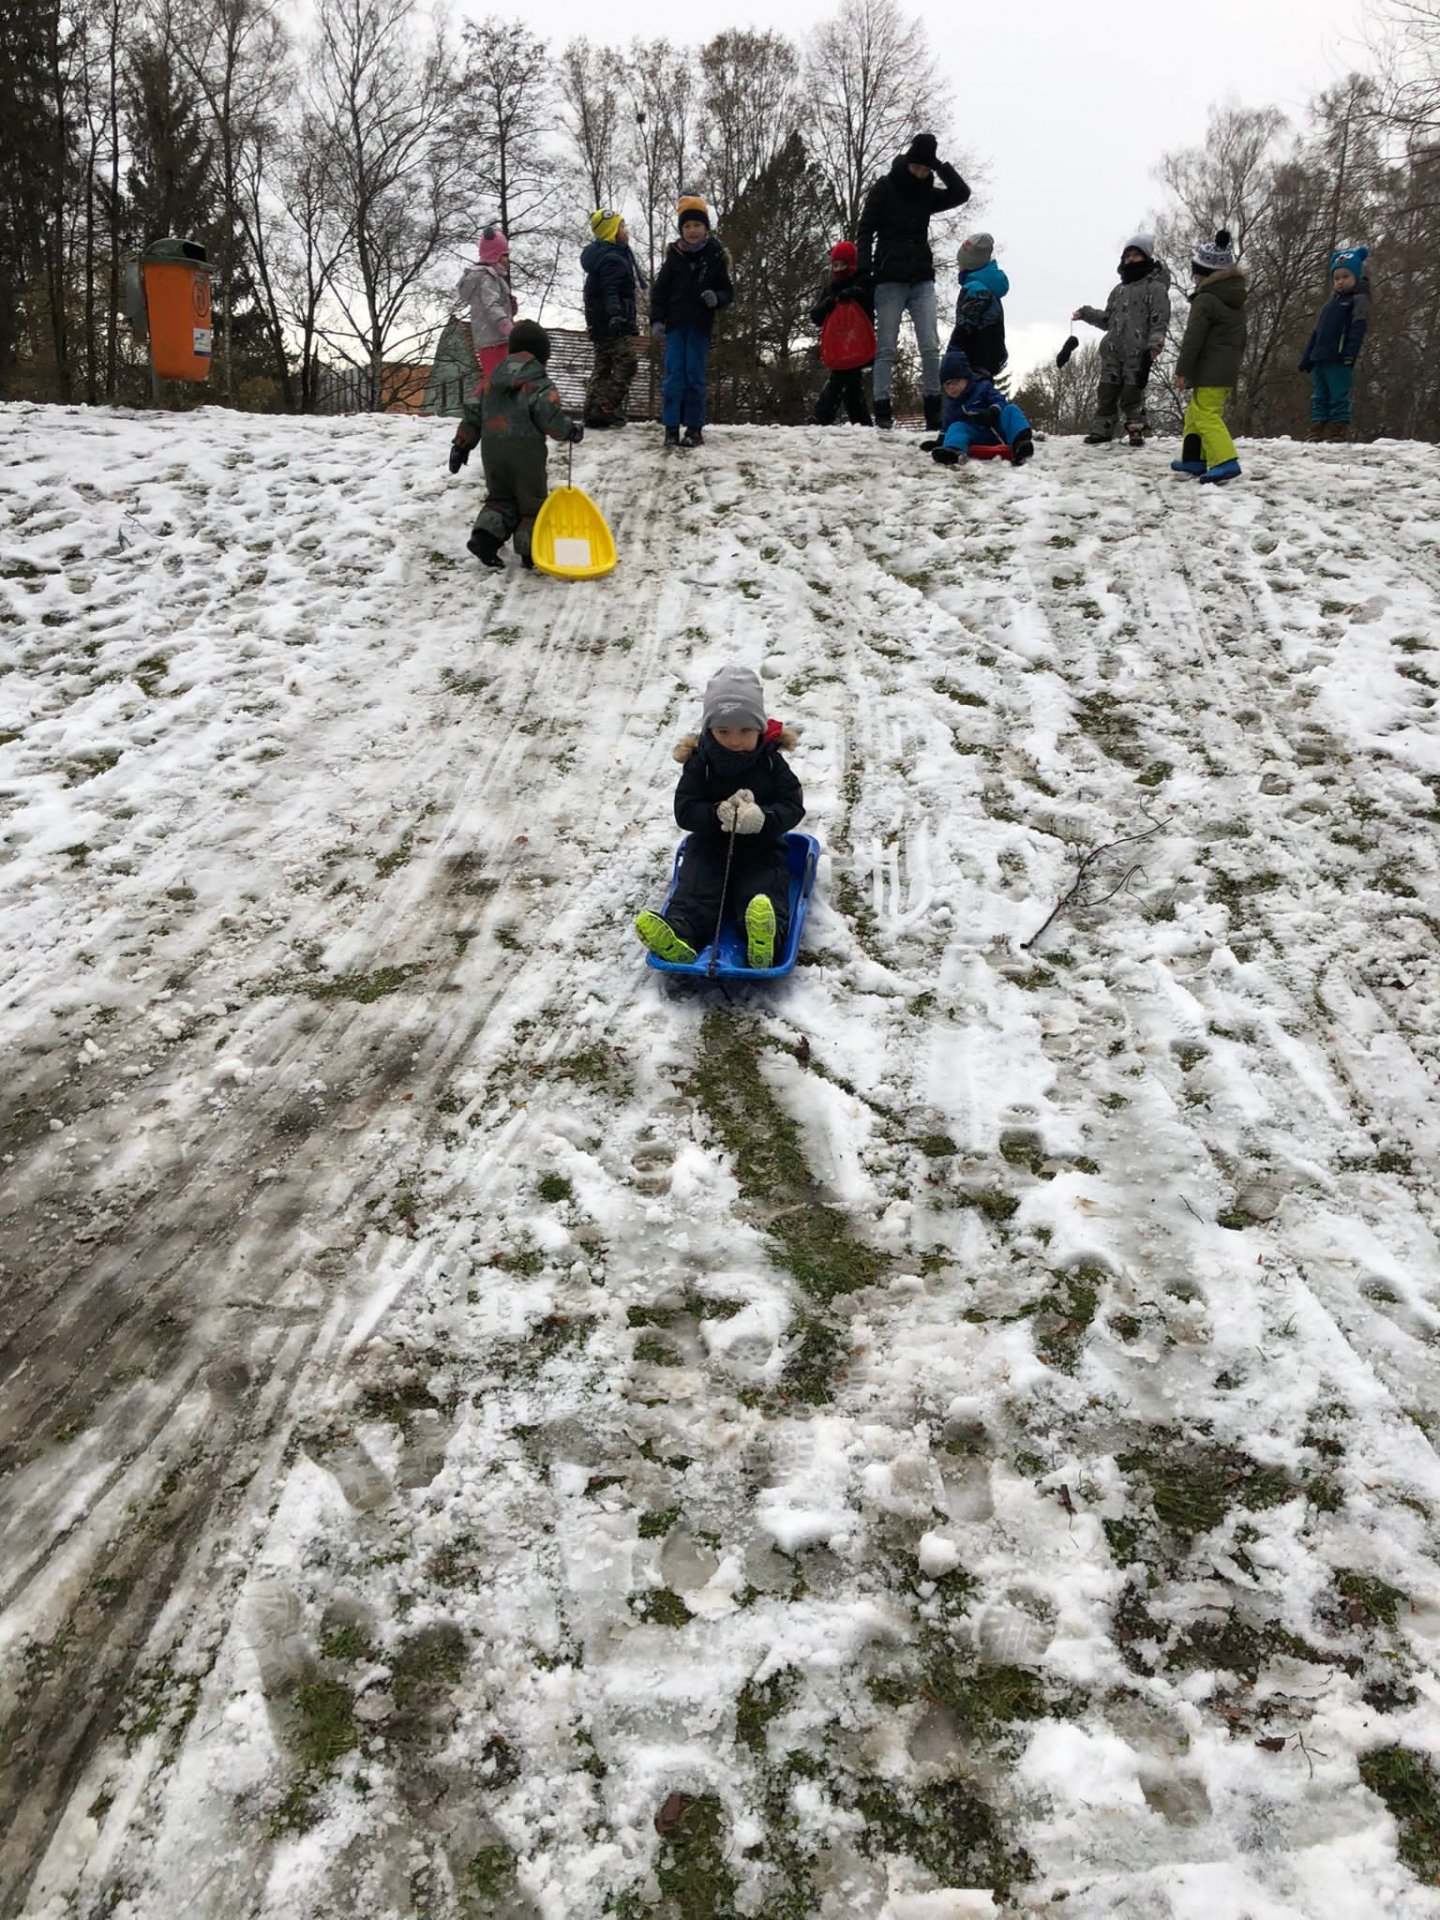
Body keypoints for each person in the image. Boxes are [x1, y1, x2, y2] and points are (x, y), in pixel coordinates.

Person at [634, 665, 805, 971]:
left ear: (760, 728)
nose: (735, 740)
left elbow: (792, 805)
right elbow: (685, 808)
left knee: (763, 890)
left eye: (745, 731)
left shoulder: (771, 762)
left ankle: (764, 940)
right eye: (724, 732)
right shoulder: (701, 763)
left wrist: (763, 819)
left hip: (761, 847)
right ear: (709, 729)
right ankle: (679, 936)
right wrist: (715, 815)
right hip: (710, 845)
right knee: (696, 889)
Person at [856, 133, 971, 431]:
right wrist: (864, 270)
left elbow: (961, 193)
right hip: (889, 278)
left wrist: (940, 166)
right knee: (886, 347)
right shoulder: (885, 187)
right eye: (917, 167)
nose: (920, 173)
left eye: (925, 169)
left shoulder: (927, 193)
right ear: (908, 162)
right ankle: (882, 408)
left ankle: (933, 408)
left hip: (921, 278)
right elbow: (865, 229)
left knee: (930, 346)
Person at [448, 319, 582, 569]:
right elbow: (550, 418)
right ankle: (531, 552)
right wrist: (570, 431)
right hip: (526, 455)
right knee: (531, 503)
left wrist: (461, 445)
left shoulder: (490, 382)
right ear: (542, 354)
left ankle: (484, 539)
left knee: (500, 499)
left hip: (493, 452)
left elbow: (473, 414)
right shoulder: (539, 383)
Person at [1071, 233, 1172, 446]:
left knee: (1131, 393)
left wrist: (1155, 344)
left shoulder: (1155, 288)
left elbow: (1159, 320)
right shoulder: (1118, 290)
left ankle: (1136, 429)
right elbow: (1108, 320)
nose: (1131, 259)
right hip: (1112, 351)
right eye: (1127, 256)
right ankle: (1102, 430)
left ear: (1146, 257)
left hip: (1138, 351)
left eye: (1136, 255)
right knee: (1106, 392)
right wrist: (1087, 313)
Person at [650, 195, 734, 450]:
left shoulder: (715, 256)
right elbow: (659, 292)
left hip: (699, 327)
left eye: (697, 225)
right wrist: (657, 320)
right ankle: (671, 426)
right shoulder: (674, 257)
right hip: (675, 327)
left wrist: (716, 298)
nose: (692, 230)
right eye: (687, 226)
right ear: (681, 230)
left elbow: (727, 292)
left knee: (694, 375)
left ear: (705, 227)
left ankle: (694, 428)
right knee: (673, 375)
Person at [1171, 229, 1248, 485]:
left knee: (1206, 414)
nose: (1194, 279)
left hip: (1210, 371)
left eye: (1196, 275)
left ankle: (1226, 461)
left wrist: (1182, 370)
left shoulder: (1205, 300)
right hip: (1224, 370)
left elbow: (1193, 338)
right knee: (1195, 414)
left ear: (1204, 275)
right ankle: (1194, 458)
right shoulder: (1235, 303)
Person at [1299, 245, 1372, 443]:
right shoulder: (1329, 305)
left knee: (1339, 394)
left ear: (1356, 277)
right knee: (1319, 395)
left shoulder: (1358, 300)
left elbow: (1358, 329)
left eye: (1345, 277)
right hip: (1320, 357)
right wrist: (1307, 357)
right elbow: (1317, 333)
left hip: (1340, 357)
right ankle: (1317, 427)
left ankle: (1339, 429)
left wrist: (1350, 353)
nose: (1340, 281)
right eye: (1337, 278)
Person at [581, 209, 645, 429]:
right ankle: (604, 407)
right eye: (622, 227)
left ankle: (591, 411)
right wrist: (616, 315)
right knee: (627, 362)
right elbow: (611, 290)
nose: (626, 231)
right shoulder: (613, 259)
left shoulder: (607, 256)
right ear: (611, 232)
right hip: (611, 322)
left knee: (603, 365)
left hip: (599, 321)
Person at [922, 349, 1034, 466]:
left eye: (955, 381)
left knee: (1011, 409)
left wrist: (992, 412)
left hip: (1000, 431)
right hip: (976, 437)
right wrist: (939, 442)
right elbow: (947, 426)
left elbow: (999, 401)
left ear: (966, 378)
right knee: (957, 426)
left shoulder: (983, 388)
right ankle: (953, 450)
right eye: (947, 384)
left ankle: (1021, 443)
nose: (951, 387)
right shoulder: (950, 405)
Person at [812, 240, 874, 427]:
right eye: (835, 265)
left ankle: (821, 416)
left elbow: (869, 302)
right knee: (850, 383)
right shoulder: (831, 288)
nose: (838, 269)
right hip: (838, 343)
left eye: (842, 265)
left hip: (856, 341)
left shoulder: (863, 281)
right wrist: (826, 306)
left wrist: (853, 294)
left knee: (841, 379)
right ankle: (861, 422)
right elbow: (815, 317)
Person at [456, 228, 516, 392]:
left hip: (492, 338)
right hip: (495, 338)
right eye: (505, 255)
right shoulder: (488, 278)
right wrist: (506, 325)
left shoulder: (494, 278)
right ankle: (487, 403)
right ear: (494, 255)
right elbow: (491, 305)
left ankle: (490, 401)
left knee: (497, 377)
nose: (508, 260)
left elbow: (496, 303)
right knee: (497, 381)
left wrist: (510, 307)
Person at [948, 231, 1008, 377]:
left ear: (970, 265)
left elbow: (965, 326)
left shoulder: (976, 290)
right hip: (989, 356)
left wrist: (951, 354)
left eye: (961, 264)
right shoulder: (987, 287)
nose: (959, 267)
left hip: (975, 358)